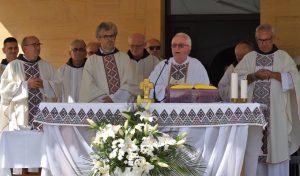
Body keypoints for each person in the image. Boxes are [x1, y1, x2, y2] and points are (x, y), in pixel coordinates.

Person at [234, 24, 300, 176]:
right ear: (256, 40)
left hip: (277, 116)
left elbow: (295, 80)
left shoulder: (283, 57)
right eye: (260, 40)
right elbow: (236, 79)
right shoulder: (249, 58)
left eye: (267, 40)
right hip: (254, 117)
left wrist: (273, 74)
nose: (264, 43)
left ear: (273, 38)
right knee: (254, 152)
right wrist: (254, 76)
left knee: (276, 151)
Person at [0, 35, 61, 130]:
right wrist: (26, 85)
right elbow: (5, 90)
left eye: (39, 44)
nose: (38, 47)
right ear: (25, 48)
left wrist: (44, 84)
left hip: (44, 118)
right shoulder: (13, 66)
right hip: (21, 116)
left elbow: (59, 87)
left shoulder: (47, 66)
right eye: (34, 45)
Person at [79, 21, 134, 103]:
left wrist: (114, 98)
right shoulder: (91, 61)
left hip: (122, 104)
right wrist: (105, 98)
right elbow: (88, 85)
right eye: (105, 36)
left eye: (112, 36)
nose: (109, 39)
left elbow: (130, 82)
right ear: (98, 38)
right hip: (100, 105)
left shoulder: (124, 58)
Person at [149, 32, 210, 102]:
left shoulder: (197, 65)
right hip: (166, 107)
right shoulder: (163, 65)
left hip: (190, 107)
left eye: (180, 45)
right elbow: (151, 86)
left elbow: (205, 89)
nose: (176, 48)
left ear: (189, 48)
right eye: (174, 45)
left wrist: (189, 92)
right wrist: (165, 89)